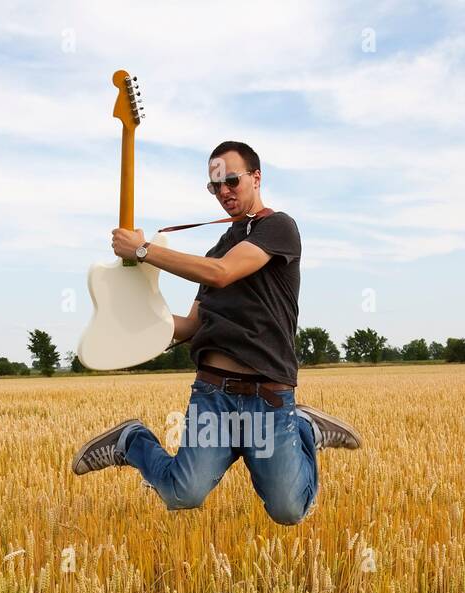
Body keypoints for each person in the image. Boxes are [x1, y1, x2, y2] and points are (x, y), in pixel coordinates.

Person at [72, 140, 361, 525]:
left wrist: (143, 250)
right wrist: (125, 317)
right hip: (215, 396)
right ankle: (132, 440)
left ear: (256, 178)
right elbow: (191, 326)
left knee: (289, 510)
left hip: (268, 398)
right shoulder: (216, 251)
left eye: (232, 180)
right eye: (215, 186)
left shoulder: (278, 228)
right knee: (183, 493)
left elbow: (222, 274)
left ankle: (304, 427)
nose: (224, 191)